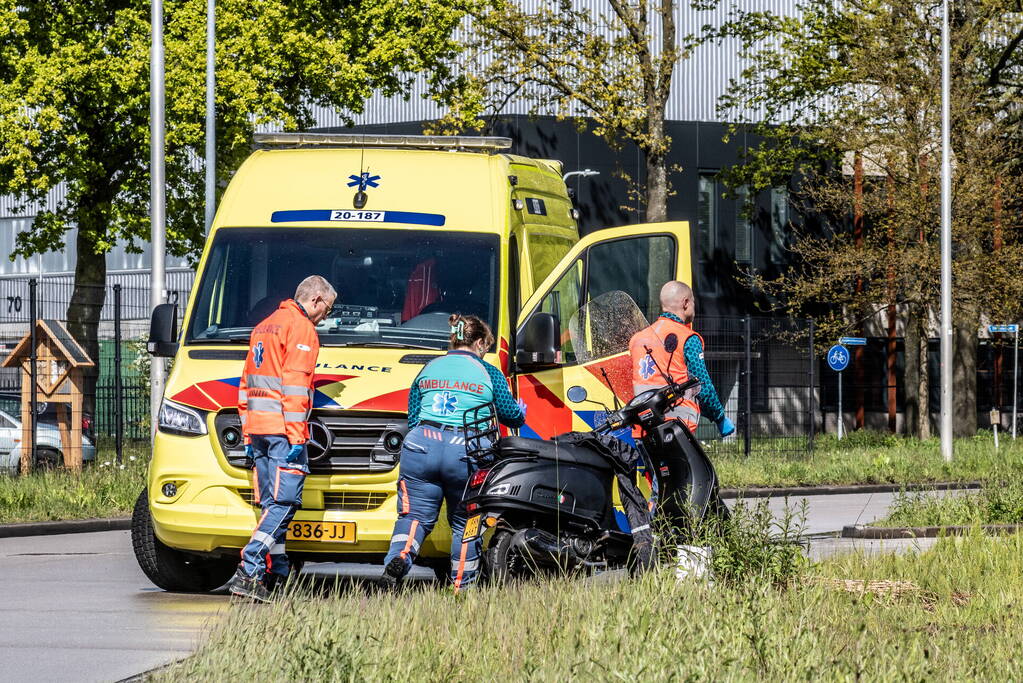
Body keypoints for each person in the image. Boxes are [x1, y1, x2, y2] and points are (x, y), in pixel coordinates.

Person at [380, 313, 526, 591]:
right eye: (486, 347)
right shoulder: (489, 372)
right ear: (480, 343)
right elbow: (510, 415)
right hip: (465, 450)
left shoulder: (429, 368)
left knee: (413, 517)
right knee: (465, 522)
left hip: (421, 445)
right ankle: (461, 586)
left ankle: (399, 558)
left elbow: (414, 416)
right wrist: (521, 413)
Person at [226, 275, 337, 601]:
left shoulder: (264, 326)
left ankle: (277, 573)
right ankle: (249, 569)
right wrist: (298, 437)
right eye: (327, 309)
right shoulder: (301, 329)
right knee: (284, 505)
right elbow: (295, 389)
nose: (325, 317)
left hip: (259, 430)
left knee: (270, 505)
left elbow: (245, 385)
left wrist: (248, 433)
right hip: (283, 433)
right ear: (316, 300)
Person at [629, 281, 735, 438]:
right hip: (676, 428)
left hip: (643, 427)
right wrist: (719, 417)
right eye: (693, 302)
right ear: (686, 303)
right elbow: (702, 385)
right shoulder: (687, 338)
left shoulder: (637, 339)